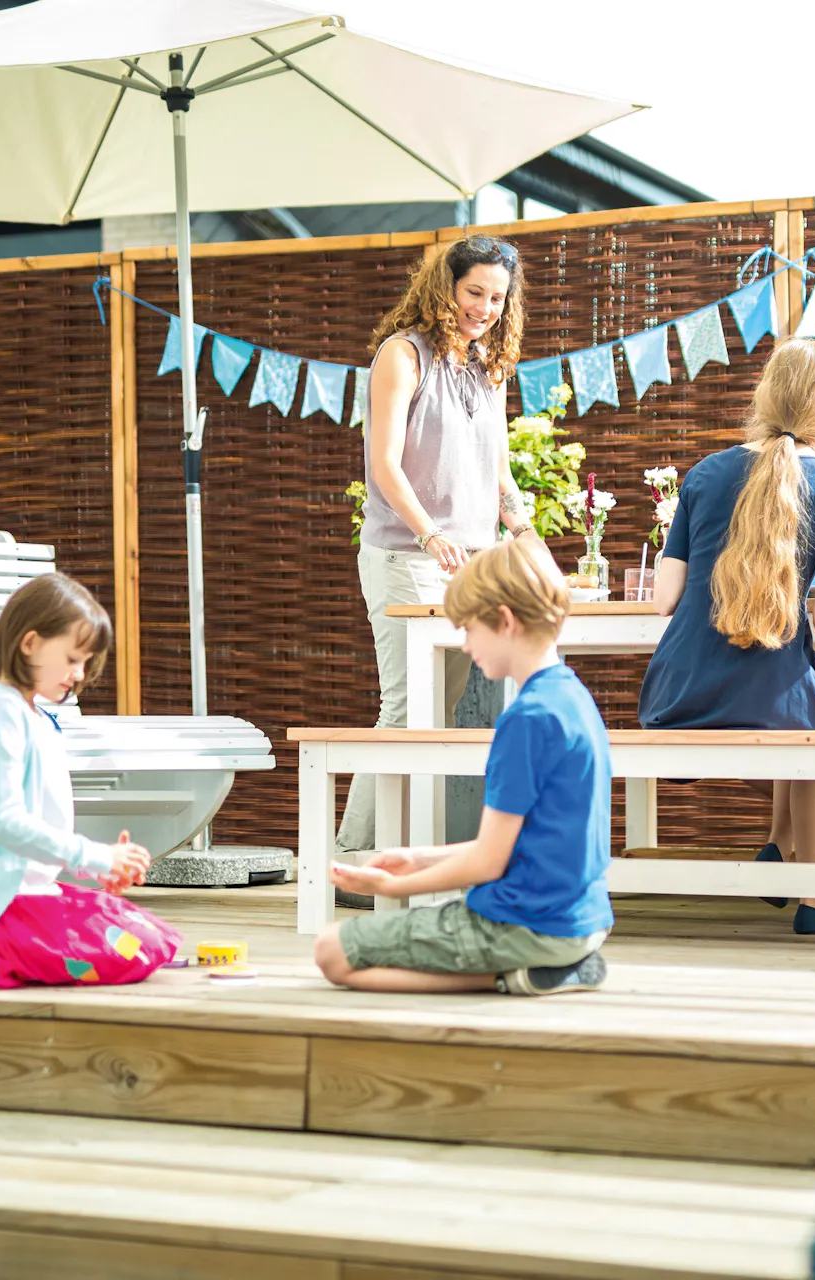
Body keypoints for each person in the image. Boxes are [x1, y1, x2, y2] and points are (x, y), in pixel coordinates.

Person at [637, 338, 815, 935]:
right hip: (772, 699)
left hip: (679, 695)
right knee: (814, 726)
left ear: (762, 396)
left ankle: (777, 849)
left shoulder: (705, 474)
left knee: (801, 710)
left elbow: (664, 598)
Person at [340, 235, 544, 904]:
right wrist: (429, 533)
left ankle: (394, 860)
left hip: (473, 563)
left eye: (496, 297)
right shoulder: (402, 356)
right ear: (444, 288)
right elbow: (385, 464)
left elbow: (496, 468)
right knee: (404, 706)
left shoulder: (489, 364)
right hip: (406, 555)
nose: (484, 307)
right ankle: (350, 859)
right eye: (473, 292)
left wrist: (523, 528)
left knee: (441, 709)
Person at [317, 538, 612, 995]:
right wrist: (417, 859)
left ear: (505, 621)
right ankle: (550, 967)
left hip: (526, 926)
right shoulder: (573, 698)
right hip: (583, 921)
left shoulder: (526, 720)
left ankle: (523, 974)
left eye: (470, 629)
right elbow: (515, 845)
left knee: (332, 950)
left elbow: (488, 861)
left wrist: (391, 890)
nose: (466, 644)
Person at [0, 573, 177, 988]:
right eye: (71, 659)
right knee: (132, 951)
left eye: (85, 662)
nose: (80, 673)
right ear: (30, 643)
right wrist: (94, 855)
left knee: (145, 933)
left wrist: (94, 869)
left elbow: (35, 833)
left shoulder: (32, 717)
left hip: (16, 895)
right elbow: (5, 822)